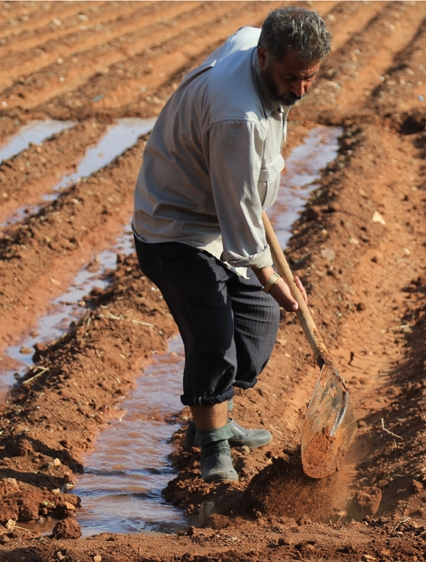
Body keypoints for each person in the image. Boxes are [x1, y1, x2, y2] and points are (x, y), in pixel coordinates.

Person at [131, 7, 331, 482]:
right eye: (290, 78)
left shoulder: (252, 42)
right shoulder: (236, 118)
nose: (300, 90)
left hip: (219, 220)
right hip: (175, 227)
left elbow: (241, 203)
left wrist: (270, 281)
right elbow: (240, 207)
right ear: (263, 58)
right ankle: (212, 446)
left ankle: (214, 412)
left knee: (257, 328)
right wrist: (271, 276)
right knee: (214, 333)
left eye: (310, 78)